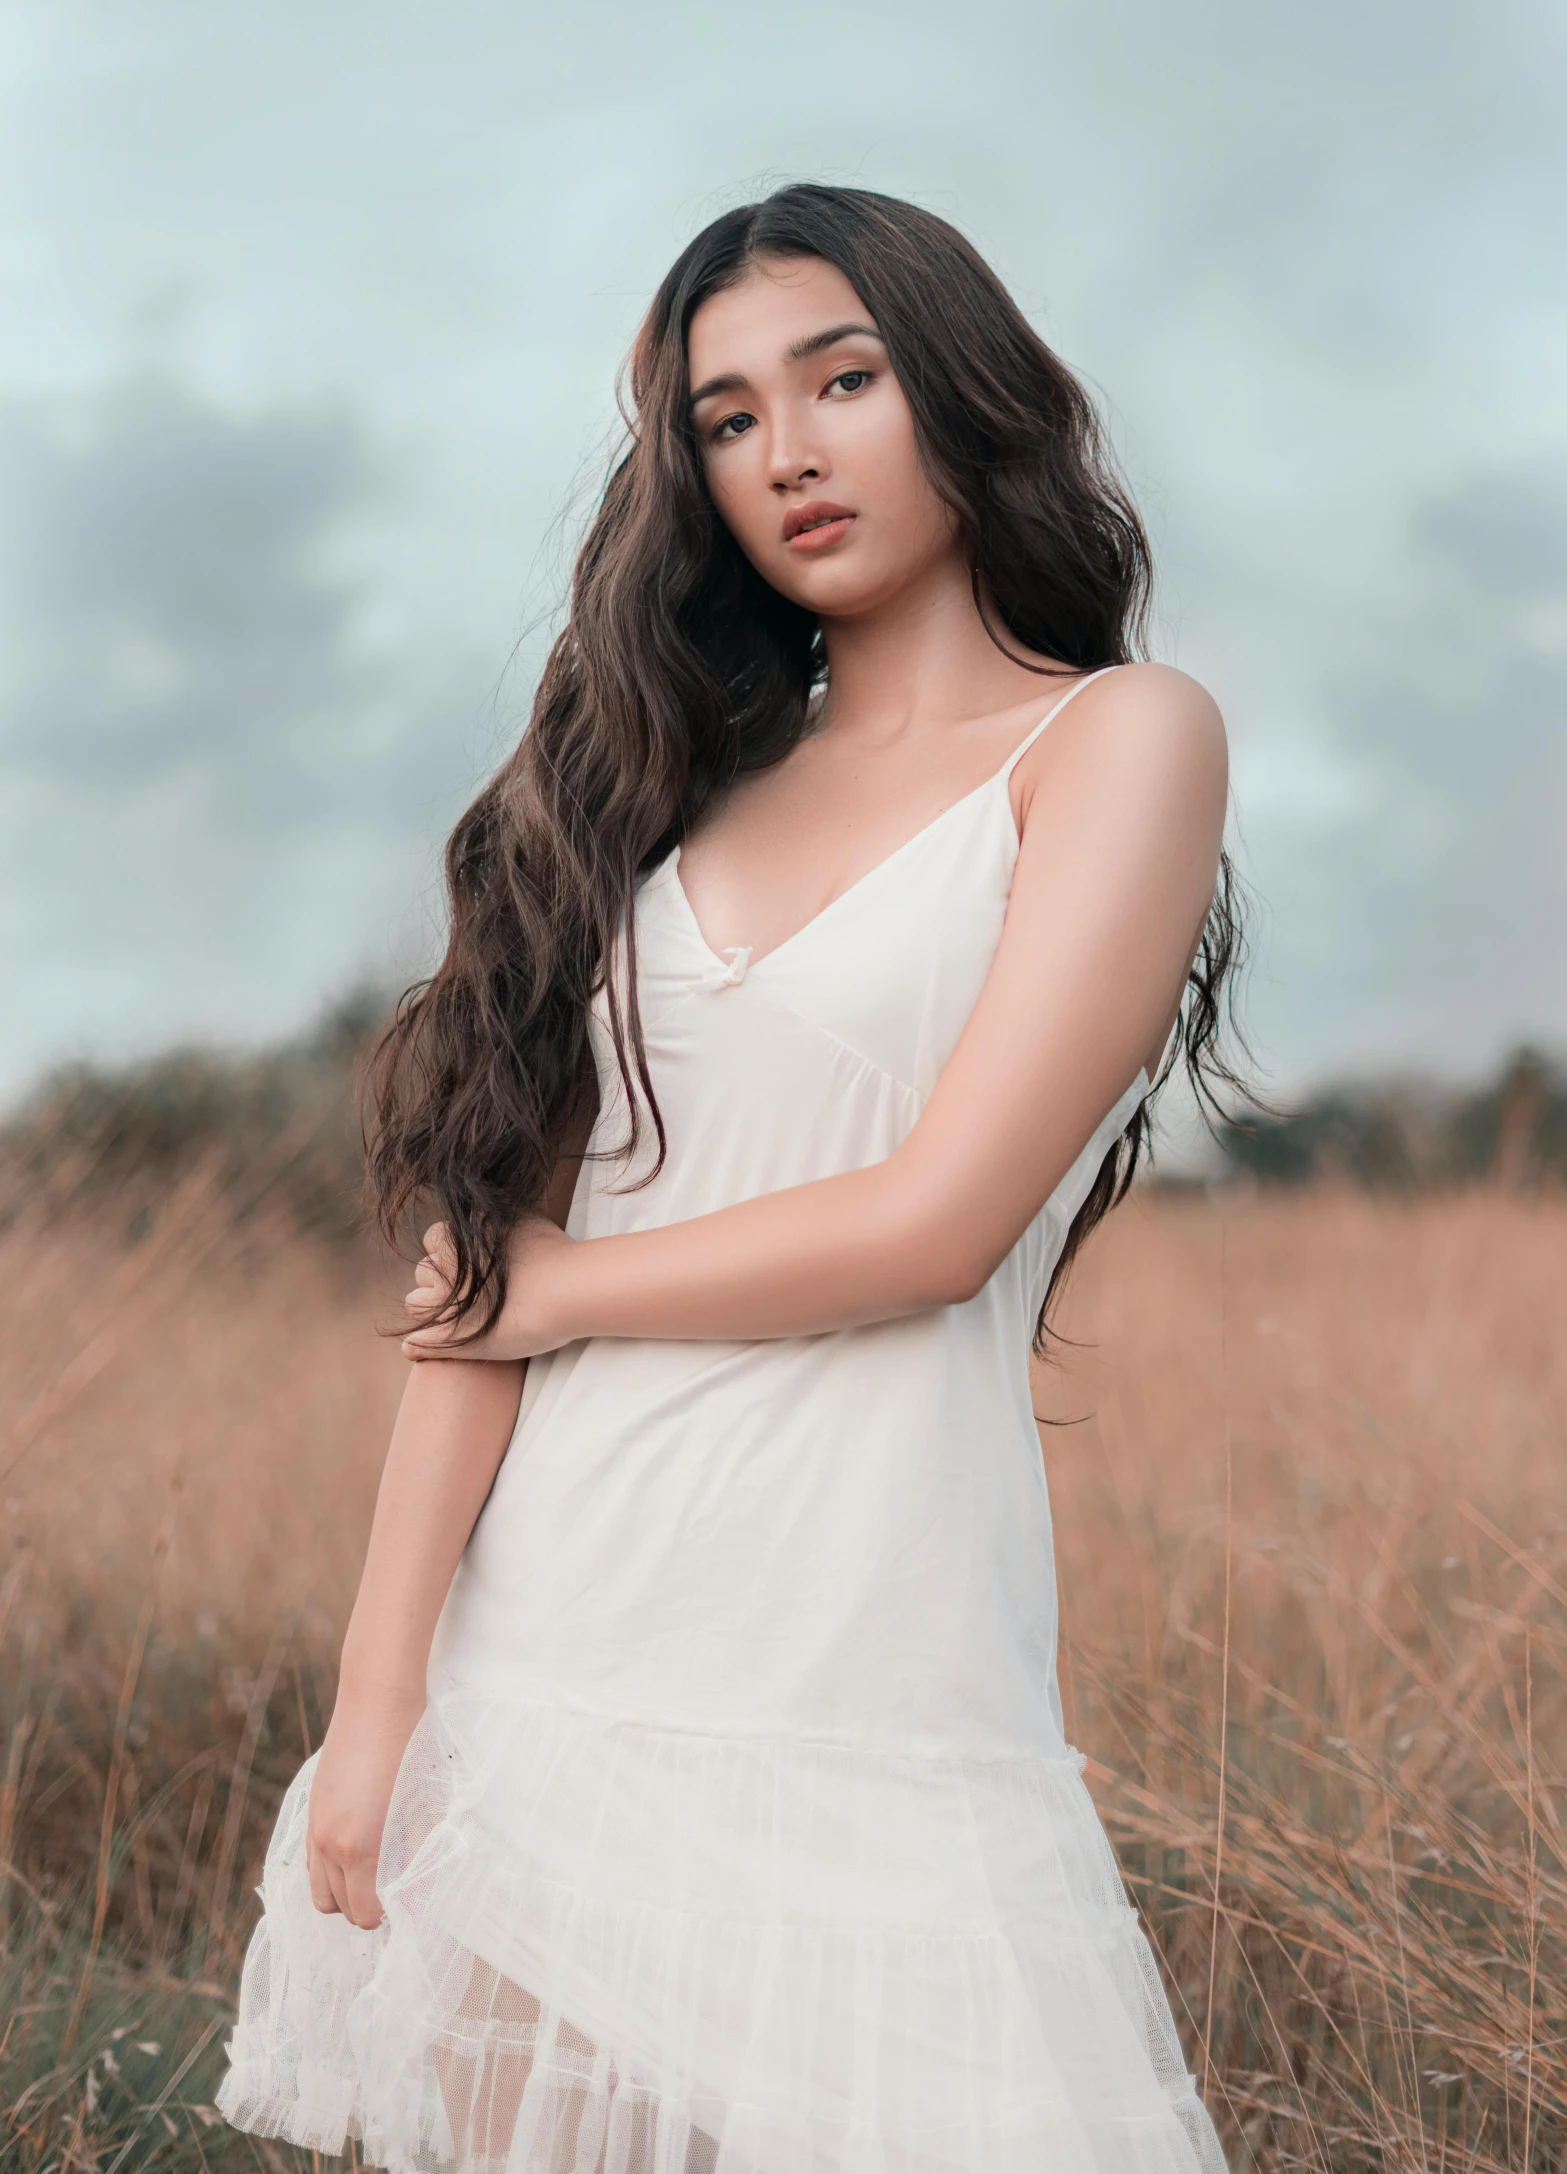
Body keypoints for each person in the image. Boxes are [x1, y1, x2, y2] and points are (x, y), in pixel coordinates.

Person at [218, 183, 1240, 2174]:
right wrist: (378, 1697)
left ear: (962, 387)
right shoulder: (657, 791)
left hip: (870, 1666)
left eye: (841, 378)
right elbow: (479, 1276)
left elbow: (941, 1220)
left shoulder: (1116, 742)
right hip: (549, 1673)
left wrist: (569, 1289)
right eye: (726, 415)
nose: (786, 449)